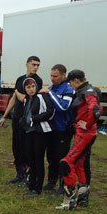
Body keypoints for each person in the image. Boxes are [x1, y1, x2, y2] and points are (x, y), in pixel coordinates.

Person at [57, 69, 101, 210]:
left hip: (85, 133)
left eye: (71, 83)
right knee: (79, 164)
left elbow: (95, 109)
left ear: (76, 80)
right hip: (82, 132)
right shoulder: (86, 90)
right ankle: (82, 197)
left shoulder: (88, 92)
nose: (71, 86)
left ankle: (69, 200)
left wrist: (87, 124)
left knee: (66, 163)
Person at [0, 56, 43, 184]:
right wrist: (4, 115)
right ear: (27, 64)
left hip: (28, 120)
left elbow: (29, 98)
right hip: (17, 117)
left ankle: (28, 175)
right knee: (16, 147)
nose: (36, 67)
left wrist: (19, 94)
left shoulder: (37, 81)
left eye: (38, 65)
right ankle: (19, 174)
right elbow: (14, 98)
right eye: (33, 64)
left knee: (27, 148)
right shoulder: (20, 79)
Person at [43, 64, 74, 193]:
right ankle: (51, 181)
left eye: (55, 76)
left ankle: (63, 185)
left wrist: (50, 93)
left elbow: (63, 107)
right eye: (51, 75)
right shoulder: (51, 88)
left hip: (63, 130)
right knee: (51, 157)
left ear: (63, 75)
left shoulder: (68, 89)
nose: (52, 78)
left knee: (62, 158)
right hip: (51, 129)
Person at [20, 77, 54, 196]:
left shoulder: (41, 97)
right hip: (30, 131)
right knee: (31, 159)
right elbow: (26, 115)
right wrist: (23, 121)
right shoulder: (27, 100)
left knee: (38, 159)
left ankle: (37, 188)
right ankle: (31, 184)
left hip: (41, 132)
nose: (31, 89)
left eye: (33, 86)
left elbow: (51, 112)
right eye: (28, 87)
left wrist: (35, 119)